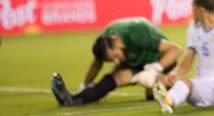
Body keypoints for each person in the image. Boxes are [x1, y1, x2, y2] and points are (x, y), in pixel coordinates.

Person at [50, 17, 182, 106]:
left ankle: (173, 86)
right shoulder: (104, 42)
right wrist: (85, 86)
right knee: (115, 77)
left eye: (115, 56)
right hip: (138, 62)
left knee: (156, 94)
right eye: (111, 59)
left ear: (117, 41)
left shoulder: (136, 32)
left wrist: (154, 69)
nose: (116, 61)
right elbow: (97, 65)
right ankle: (72, 100)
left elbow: (175, 50)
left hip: (161, 60)